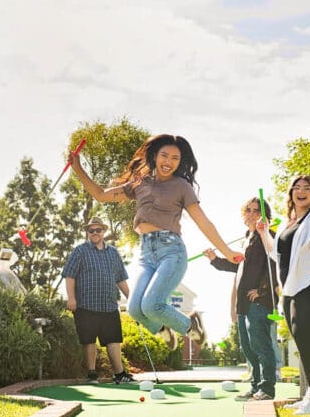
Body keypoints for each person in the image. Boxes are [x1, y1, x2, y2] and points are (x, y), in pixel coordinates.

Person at [69, 134, 242, 349]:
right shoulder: (140, 183)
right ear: (155, 156)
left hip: (171, 251)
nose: (168, 162)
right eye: (164, 156)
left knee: (151, 305)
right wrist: (77, 169)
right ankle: (163, 328)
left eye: (175, 158)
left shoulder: (181, 186)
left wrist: (226, 251)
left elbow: (203, 222)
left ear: (180, 162)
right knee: (134, 309)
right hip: (146, 254)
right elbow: (102, 195)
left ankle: (190, 324)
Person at [261, 175, 310, 415]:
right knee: (301, 339)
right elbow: (277, 254)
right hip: (292, 287)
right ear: (291, 193)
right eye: (297, 188)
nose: (301, 191)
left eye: (307, 188)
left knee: (304, 335)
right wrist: (263, 233)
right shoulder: (289, 223)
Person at [204, 197, 279, 401]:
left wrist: (263, 290)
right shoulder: (248, 237)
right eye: (249, 210)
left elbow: (275, 265)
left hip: (259, 301)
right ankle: (256, 387)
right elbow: (239, 267)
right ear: (244, 214)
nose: (253, 214)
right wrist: (215, 260)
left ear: (266, 216)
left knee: (261, 345)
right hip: (244, 302)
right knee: (248, 348)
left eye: (258, 211)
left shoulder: (268, 236)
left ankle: (267, 387)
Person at [62, 216, 135, 384]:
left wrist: (132, 299)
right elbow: (70, 276)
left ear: (104, 232)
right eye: (91, 230)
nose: (95, 233)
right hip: (86, 305)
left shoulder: (113, 253)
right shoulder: (80, 251)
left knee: (114, 340)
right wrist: (71, 298)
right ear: (87, 233)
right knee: (88, 341)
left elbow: (121, 279)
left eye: (98, 230)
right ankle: (92, 374)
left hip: (109, 305)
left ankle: (120, 374)